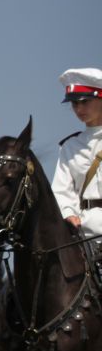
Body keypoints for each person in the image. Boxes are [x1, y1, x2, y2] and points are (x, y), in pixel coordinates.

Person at [52, 68, 102, 244]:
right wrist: (68, 214)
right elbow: (61, 190)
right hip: (82, 234)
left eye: (85, 102)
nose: (79, 109)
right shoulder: (70, 146)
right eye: (74, 104)